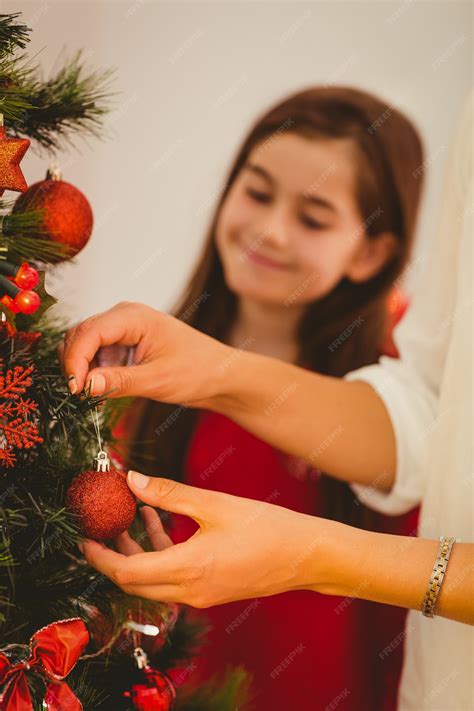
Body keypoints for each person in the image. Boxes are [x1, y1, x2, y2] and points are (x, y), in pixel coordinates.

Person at [61, 93, 473, 710]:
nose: (271, 231)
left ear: (372, 251)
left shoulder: (392, 382)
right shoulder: (141, 369)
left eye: (313, 218)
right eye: (256, 193)